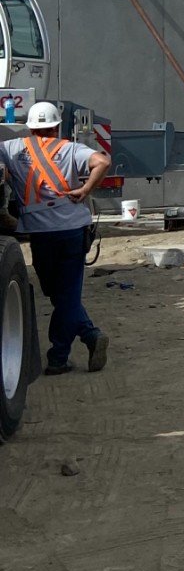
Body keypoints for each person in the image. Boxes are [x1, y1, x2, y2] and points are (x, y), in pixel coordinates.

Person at [0, 101, 112, 376]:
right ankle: (89, 335)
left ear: (30, 128)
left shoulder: (11, 149)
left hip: (40, 234)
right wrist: (85, 189)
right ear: (57, 126)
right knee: (66, 295)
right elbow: (103, 162)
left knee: (58, 293)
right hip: (72, 230)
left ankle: (59, 356)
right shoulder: (70, 149)